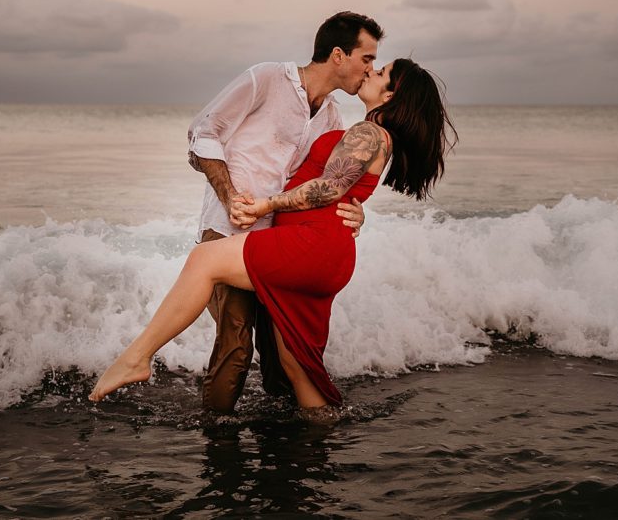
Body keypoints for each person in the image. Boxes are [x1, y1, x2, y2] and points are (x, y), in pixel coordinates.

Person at [90, 58, 457, 408]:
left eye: (380, 71)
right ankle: (318, 435)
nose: (371, 72)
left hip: (312, 246)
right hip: (323, 249)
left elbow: (328, 188)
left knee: (204, 260)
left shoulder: (368, 132)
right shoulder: (364, 131)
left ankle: (136, 358)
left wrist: (266, 206)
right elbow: (343, 187)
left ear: (390, 95)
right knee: (297, 367)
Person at [186, 11, 382, 413]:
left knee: (281, 358)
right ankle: (216, 442)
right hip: (229, 233)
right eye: (367, 59)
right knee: (236, 344)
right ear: (339, 56)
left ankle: (286, 446)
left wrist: (357, 211)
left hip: (281, 244)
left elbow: (327, 183)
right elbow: (202, 133)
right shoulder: (267, 78)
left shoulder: (331, 117)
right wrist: (228, 196)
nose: (371, 70)